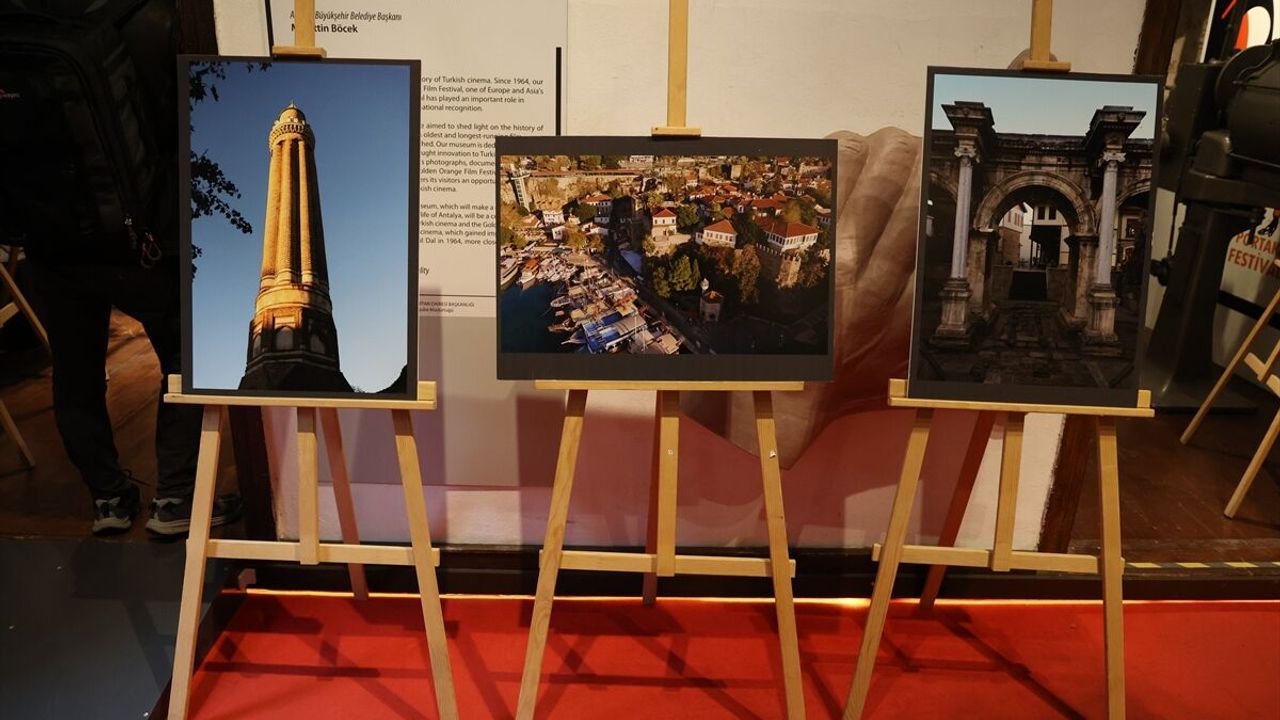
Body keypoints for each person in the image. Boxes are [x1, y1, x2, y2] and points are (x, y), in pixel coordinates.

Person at [1, 0, 239, 536]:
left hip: (47, 239)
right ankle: (177, 498)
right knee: (186, 355)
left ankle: (107, 498)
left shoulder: (19, 20)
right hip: (141, 236)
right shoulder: (150, 18)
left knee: (76, 371)